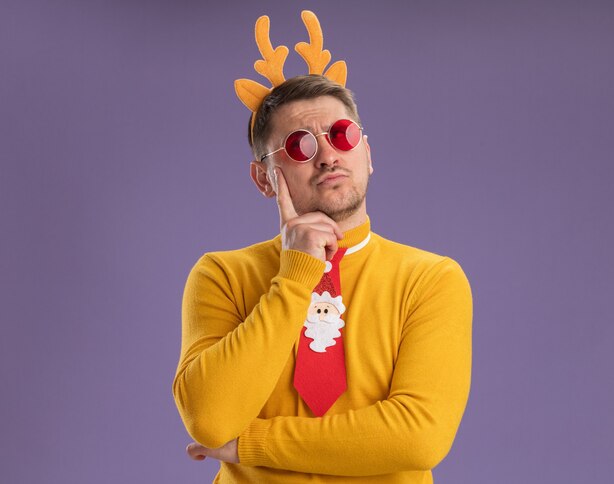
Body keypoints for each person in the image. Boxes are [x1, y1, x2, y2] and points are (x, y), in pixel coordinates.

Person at [172, 11, 472, 484]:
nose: (329, 154)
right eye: (298, 146)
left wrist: (250, 445)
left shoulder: (430, 279)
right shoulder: (221, 275)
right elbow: (210, 419)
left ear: (367, 154)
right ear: (264, 179)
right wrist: (294, 275)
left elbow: (418, 438)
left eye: (341, 135)